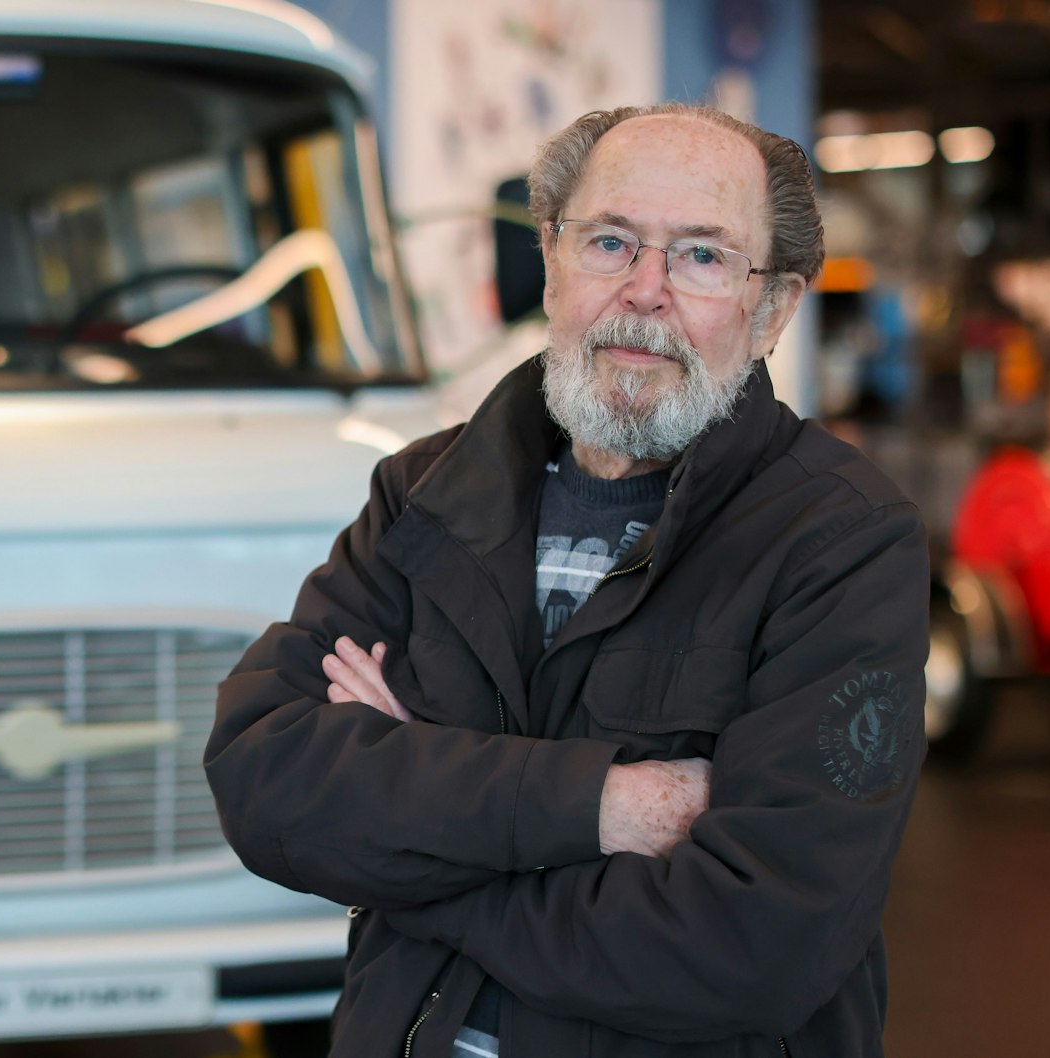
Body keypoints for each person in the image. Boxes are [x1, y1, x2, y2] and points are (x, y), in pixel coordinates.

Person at [205, 103, 928, 1058]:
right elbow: (267, 777)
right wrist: (603, 806)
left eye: (703, 256)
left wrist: (410, 852)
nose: (645, 292)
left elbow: (757, 944)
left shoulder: (840, 540)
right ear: (551, 262)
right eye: (611, 242)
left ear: (774, 310)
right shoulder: (425, 490)